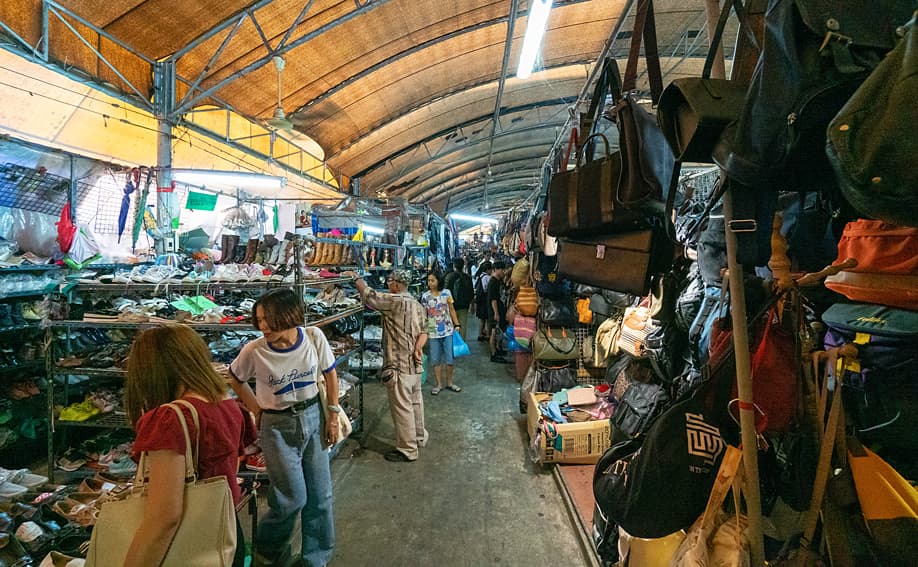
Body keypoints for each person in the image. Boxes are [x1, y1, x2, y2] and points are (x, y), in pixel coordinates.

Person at [123, 325, 255, 567]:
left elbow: (165, 518)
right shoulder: (227, 404)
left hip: (188, 543)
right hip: (224, 530)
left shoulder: (171, 419)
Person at [228, 288, 340, 567]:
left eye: (268, 319)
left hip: (314, 415)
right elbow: (235, 379)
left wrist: (334, 415)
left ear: (288, 316)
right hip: (276, 426)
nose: (262, 326)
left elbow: (330, 373)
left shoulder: (313, 338)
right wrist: (257, 410)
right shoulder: (254, 351)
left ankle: (316, 558)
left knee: (321, 495)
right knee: (291, 498)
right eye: (260, 320)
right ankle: (268, 549)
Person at [342, 269, 428, 462]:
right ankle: (419, 437)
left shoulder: (394, 301)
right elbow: (426, 330)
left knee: (402, 408)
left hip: (398, 365)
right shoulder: (417, 304)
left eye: (390, 281)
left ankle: (408, 449)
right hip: (414, 364)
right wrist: (418, 349)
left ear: (396, 284)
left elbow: (369, 295)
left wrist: (356, 278)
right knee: (415, 403)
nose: (388, 284)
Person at [422, 271, 462, 396]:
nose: (430, 283)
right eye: (428, 280)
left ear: (438, 280)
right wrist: (424, 330)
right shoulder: (425, 296)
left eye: (432, 280)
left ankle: (449, 382)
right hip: (433, 332)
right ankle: (439, 384)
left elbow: (451, 310)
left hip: (448, 330)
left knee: (450, 358)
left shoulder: (447, 293)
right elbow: (424, 315)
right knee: (435, 359)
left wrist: (457, 324)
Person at [444, 258, 474, 338]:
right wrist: (472, 304)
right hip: (464, 307)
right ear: (463, 266)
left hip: (452, 306)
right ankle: (461, 345)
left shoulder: (449, 277)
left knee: (451, 326)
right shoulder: (467, 277)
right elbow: (471, 293)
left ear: (454, 266)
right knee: (462, 327)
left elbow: (445, 292)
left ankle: (451, 345)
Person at [488, 261, 510, 363]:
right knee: (494, 331)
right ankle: (493, 354)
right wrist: (496, 313)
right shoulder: (492, 282)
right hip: (494, 311)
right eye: (502, 270)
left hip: (500, 309)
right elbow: (493, 300)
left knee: (499, 331)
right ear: (496, 269)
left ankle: (498, 349)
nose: (503, 272)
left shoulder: (499, 281)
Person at [473, 260, 492, 342]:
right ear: (487, 269)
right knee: (487, 318)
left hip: (481, 301)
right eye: (491, 269)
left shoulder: (480, 276)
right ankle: (488, 335)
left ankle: (480, 334)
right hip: (485, 301)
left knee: (482, 319)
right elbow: (485, 289)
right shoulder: (487, 277)